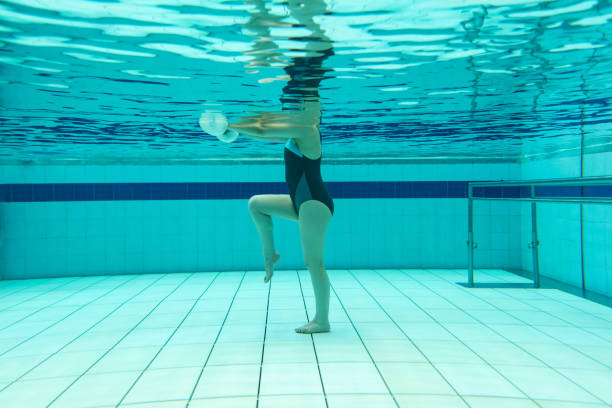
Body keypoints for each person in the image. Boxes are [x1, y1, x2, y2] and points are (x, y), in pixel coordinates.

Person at [199, 0, 334, 334]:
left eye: (306, 103)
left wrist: (232, 124)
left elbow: (260, 128)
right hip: (301, 201)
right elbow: (261, 120)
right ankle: (269, 254)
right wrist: (232, 128)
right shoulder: (297, 125)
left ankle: (323, 320)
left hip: (315, 205)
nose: (299, 106)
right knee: (256, 204)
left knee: (313, 262)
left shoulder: (308, 130)